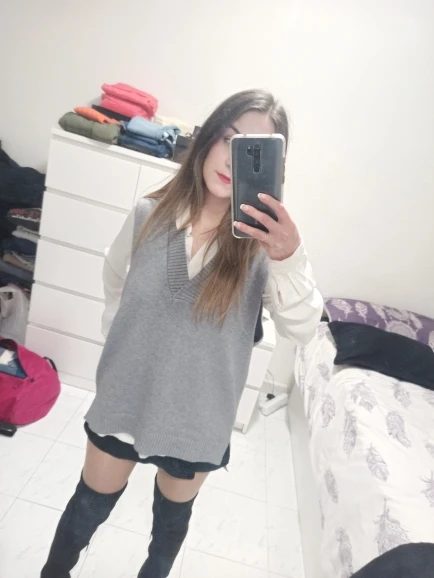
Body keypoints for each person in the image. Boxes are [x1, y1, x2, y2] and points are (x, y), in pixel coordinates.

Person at [40, 89, 323, 578]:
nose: (232, 159)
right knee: (86, 509)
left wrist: (289, 258)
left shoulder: (266, 251)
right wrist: (124, 349)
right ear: (207, 138)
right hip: (126, 397)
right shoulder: (149, 214)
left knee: (168, 528)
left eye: (251, 151)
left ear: (273, 167)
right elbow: (114, 279)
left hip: (199, 417)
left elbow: (302, 329)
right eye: (228, 138)